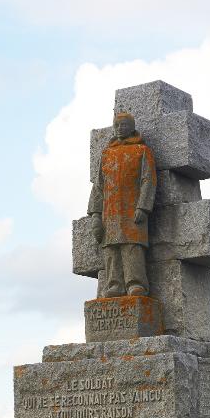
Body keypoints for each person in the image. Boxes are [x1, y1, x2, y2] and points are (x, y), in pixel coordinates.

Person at [88, 112, 156, 296]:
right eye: (116, 125)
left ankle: (136, 283)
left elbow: (148, 180)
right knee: (111, 249)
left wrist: (143, 206)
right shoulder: (107, 154)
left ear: (132, 127)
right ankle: (114, 285)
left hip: (132, 210)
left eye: (124, 125)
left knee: (132, 246)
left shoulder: (142, 151)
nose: (119, 129)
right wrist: (95, 214)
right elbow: (98, 186)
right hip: (109, 213)